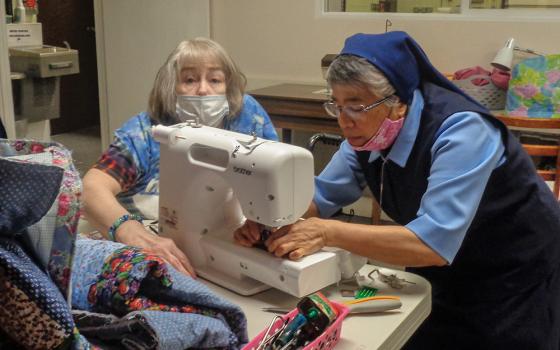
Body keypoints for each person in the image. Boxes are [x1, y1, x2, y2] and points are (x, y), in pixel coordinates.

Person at [234, 32, 560, 349]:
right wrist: (271, 220)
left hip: (512, 265)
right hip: (446, 262)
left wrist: (326, 232)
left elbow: (432, 243)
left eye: (356, 106)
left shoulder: (463, 130)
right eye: (336, 105)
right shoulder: (366, 135)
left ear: (398, 103)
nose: (343, 121)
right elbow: (322, 196)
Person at [83, 38, 278, 277]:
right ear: (170, 88)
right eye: (190, 80)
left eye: (215, 80)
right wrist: (132, 233)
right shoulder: (145, 132)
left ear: (228, 86)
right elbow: (91, 189)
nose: (204, 89)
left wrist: (262, 225)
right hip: (159, 250)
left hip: (230, 240)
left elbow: (274, 174)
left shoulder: (247, 117)